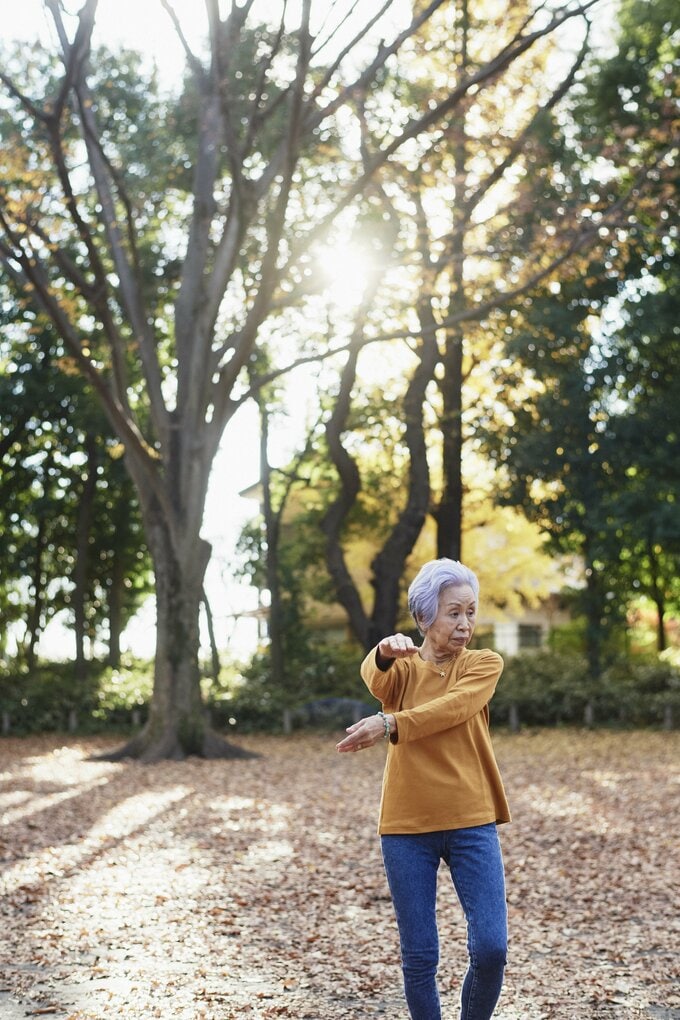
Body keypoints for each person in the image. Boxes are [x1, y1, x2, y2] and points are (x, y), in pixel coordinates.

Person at [336, 558, 511, 1020]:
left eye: (470, 612)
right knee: (420, 957)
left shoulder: (482, 665)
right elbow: (376, 680)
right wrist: (383, 652)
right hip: (406, 826)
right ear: (423, 618)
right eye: (453, 612)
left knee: (492, 948)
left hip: (472, 819)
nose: (465, 623)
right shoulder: (406, 671)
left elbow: (452, 709)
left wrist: (389, 723)